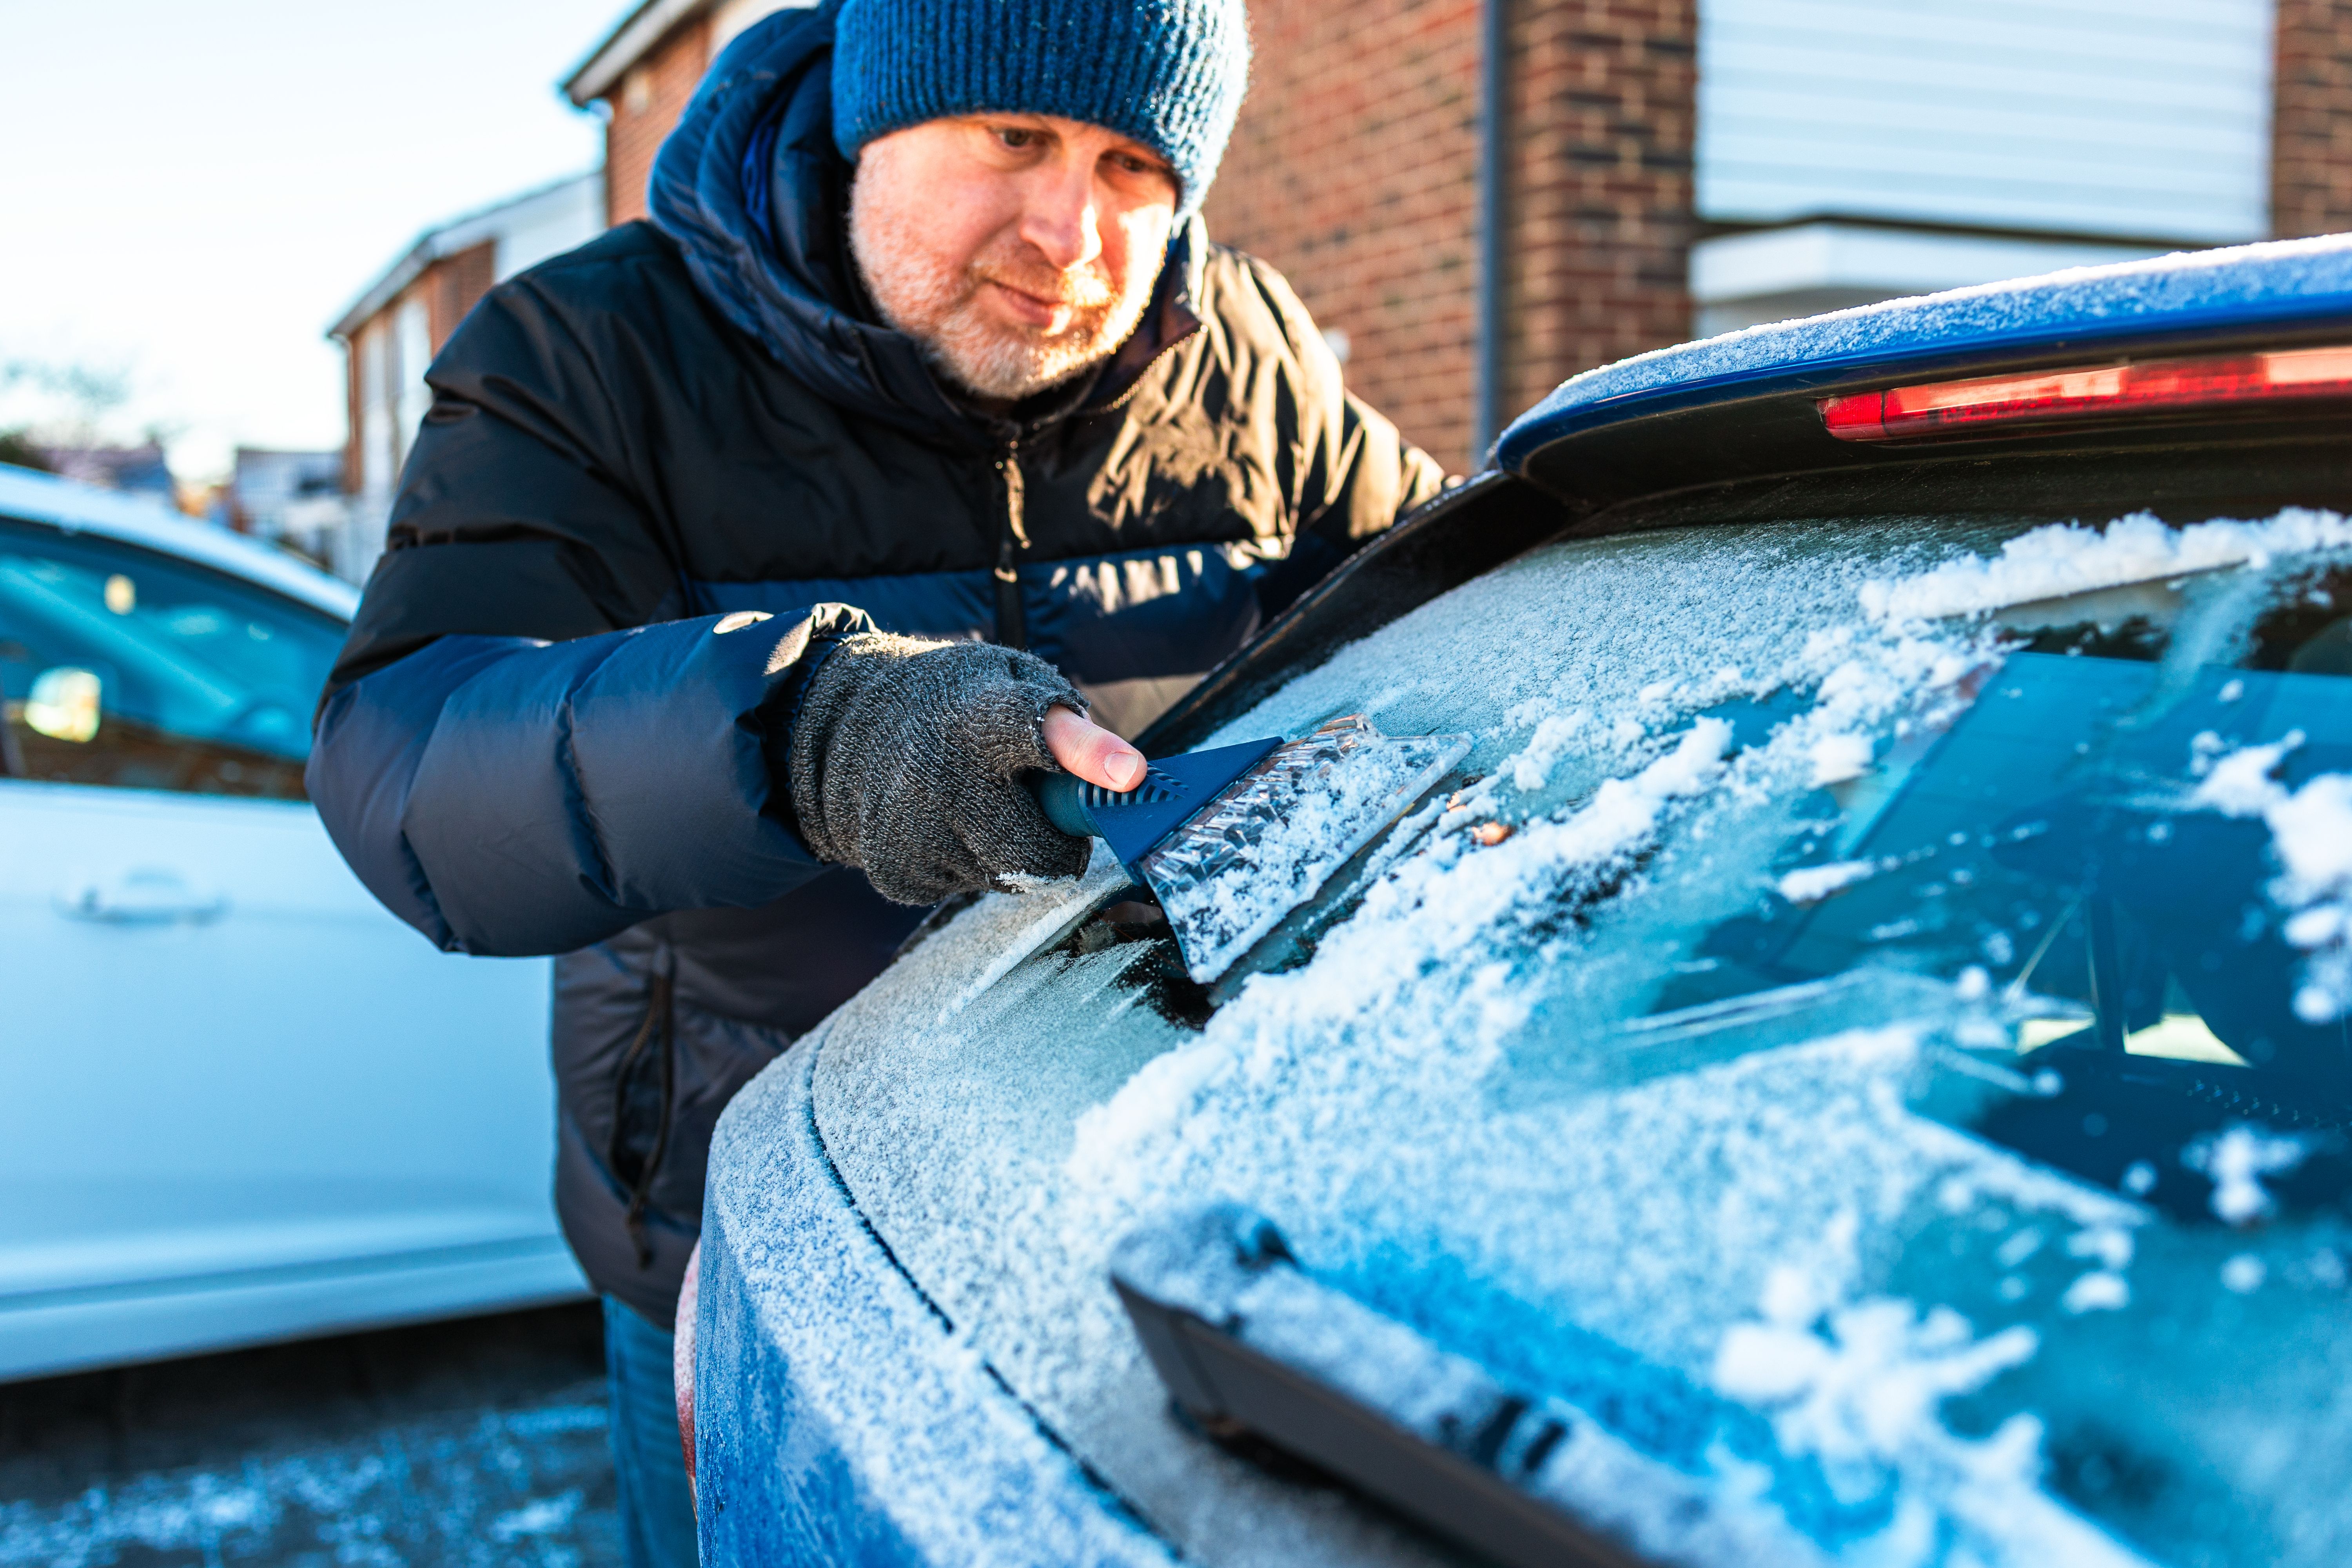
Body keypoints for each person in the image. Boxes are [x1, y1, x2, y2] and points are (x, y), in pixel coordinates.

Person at [307, 0, 1445, 1560]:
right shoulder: (593, 352)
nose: (1071, 234)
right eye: (1016, 137)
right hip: (755, 1232)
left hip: (1142, 1197)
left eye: (1133, 166)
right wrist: (809, 733)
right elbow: (409, 756)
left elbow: (1451, 593)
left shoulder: (1242, 352)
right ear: (873, 118)